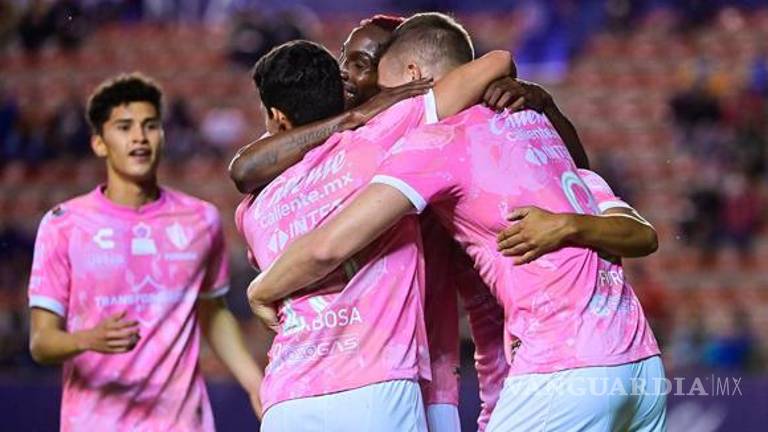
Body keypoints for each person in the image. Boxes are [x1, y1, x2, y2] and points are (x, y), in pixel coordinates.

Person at [247, 14, 666, 432]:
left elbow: (329, 246)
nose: (383, 100)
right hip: (639, 361)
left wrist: (263, 288)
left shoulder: (435, 144)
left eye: (385, 85)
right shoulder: (533, 121)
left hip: (561, 360)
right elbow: (623, 216)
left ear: (414, 76)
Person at [237, 15, 524, 427]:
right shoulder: (381, 139)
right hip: (379, 383)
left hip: (288, 393)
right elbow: (494, 62)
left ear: (278, 120)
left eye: (359, 64)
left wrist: (261, 290)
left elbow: (244, 170)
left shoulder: (252, 208)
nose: (350, 75)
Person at [27, 73, 263, 431]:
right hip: (95, 422)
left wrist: (254, 383)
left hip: (181, 422)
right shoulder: (63, 225)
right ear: (99, 143)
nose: (139, 137)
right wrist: (87, 339)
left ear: (163, 136)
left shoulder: (201, 219)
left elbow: (212, 311)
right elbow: (41, 342)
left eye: (150, 125)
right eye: (124, 127)